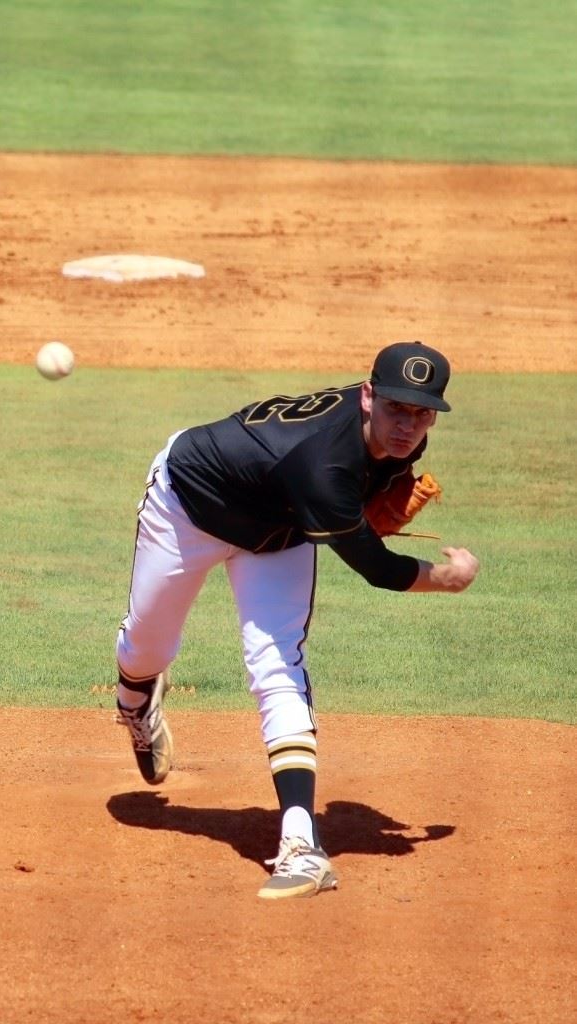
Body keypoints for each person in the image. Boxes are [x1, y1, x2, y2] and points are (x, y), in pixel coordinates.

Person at [115, 341, 479, 900]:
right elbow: (379, 570)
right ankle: (137, 701)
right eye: (395, 410)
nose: (407, 426)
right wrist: (445, 577)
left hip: (280, 534)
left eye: (421, 412)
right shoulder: (323, 463)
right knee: (146, 645)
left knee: (278, 664)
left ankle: (300, 847)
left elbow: (359, 494)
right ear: (367, 397)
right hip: (189, 507)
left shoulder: (399, 441)